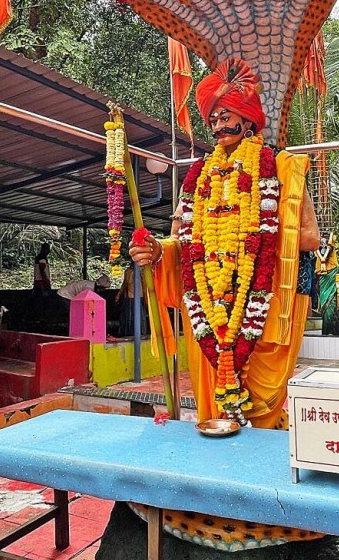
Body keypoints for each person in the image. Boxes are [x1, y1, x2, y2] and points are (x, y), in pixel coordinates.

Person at [130, 57, 319, 430]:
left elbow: (310, 237)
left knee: (263, 401)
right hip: (210, 305)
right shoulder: (199, 176)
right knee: (215, 403)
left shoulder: (280, 167)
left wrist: (253, 237)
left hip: (266, 304)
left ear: (248, 120)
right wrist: (157, 251)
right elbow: (185, 241)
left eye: (226, 116)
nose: (218, 126)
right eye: (213, 119)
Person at [114, 262, 146, 337]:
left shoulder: (142, 271)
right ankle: (127, 333)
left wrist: (146, 297)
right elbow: (125, 283)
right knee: (128, 317)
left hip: (138, 296)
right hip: (129, 297)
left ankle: (139, 333)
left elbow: (144, 285)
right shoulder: (128, 271)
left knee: (138, 317)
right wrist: (118, 294)